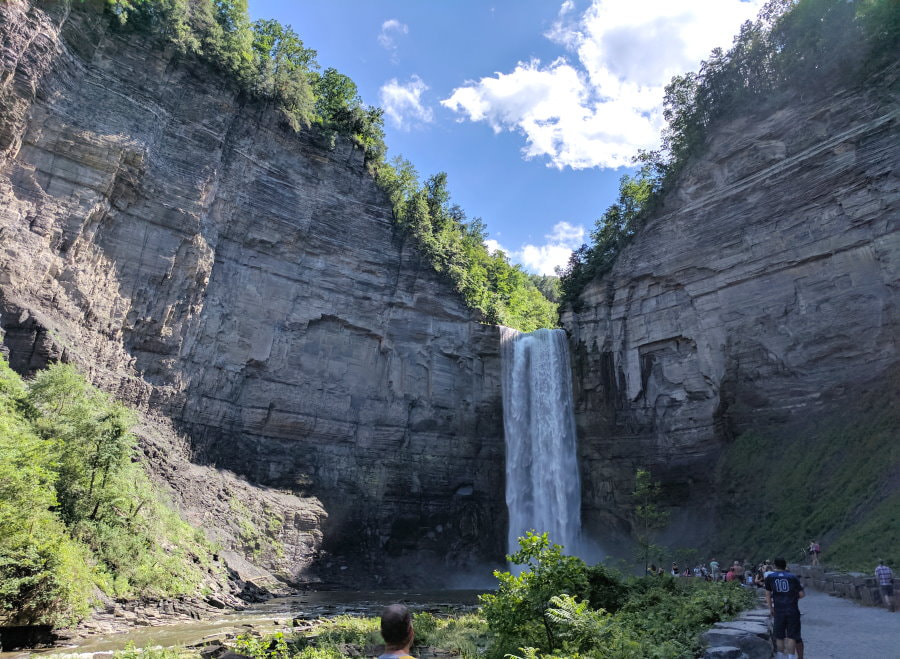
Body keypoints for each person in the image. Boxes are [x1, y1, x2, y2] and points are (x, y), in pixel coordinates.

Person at [765, 557, 805, 659]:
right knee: (792, 636)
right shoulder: (792, 577)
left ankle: (780, 656)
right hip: (792, 609)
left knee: (779, 636)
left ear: (774, 565)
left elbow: (768, 595)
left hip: (779, 610)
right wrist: (793, 598)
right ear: (785, 565)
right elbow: (801, 594)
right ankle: (791, 657)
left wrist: (771, 608)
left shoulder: (770, 577)